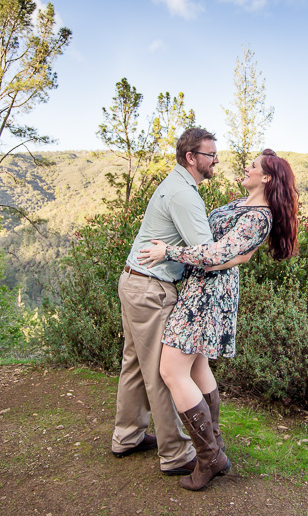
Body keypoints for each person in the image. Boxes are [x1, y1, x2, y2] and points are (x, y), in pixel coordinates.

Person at [137, 149, 299, 490]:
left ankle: (208, 456)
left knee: (171, 370)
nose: (247, 167)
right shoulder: (244, 204)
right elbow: (225, 251)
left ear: (267, 177)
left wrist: (169, 252)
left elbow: (217, 254)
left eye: (253, 166)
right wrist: (232, 256)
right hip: (201, 287)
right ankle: (215, 448)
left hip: (207, 297)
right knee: (196, 369)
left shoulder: (259, 217)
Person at [111, 127, 227, 476]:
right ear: (191, 157)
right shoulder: (184, 195)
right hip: (151, 290)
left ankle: (127, 436)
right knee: (164, 372)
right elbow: (208, 253)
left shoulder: (177, 186)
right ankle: (176, 453)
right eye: (210, 154)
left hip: (135, 284)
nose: (216, 160)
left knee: (135, 363)